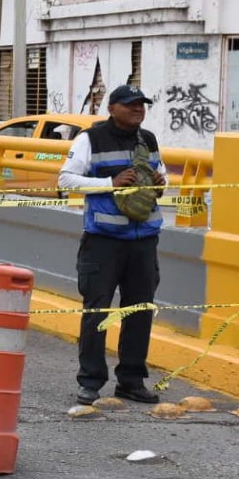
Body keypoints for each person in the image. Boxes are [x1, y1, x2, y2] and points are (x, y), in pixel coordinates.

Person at [58, 85, 168, 405]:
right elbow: (66, 179)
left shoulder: (147, 140)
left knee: (139, 311)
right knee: (98, 311)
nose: (138, 110)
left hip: (144, 240)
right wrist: (110, 183)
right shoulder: (89, 139)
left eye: (142, 105)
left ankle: (131, 381)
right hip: (103, 242)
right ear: (112, 107)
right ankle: (90, 381)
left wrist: (161, 183)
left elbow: (160, 174)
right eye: (131, 104)